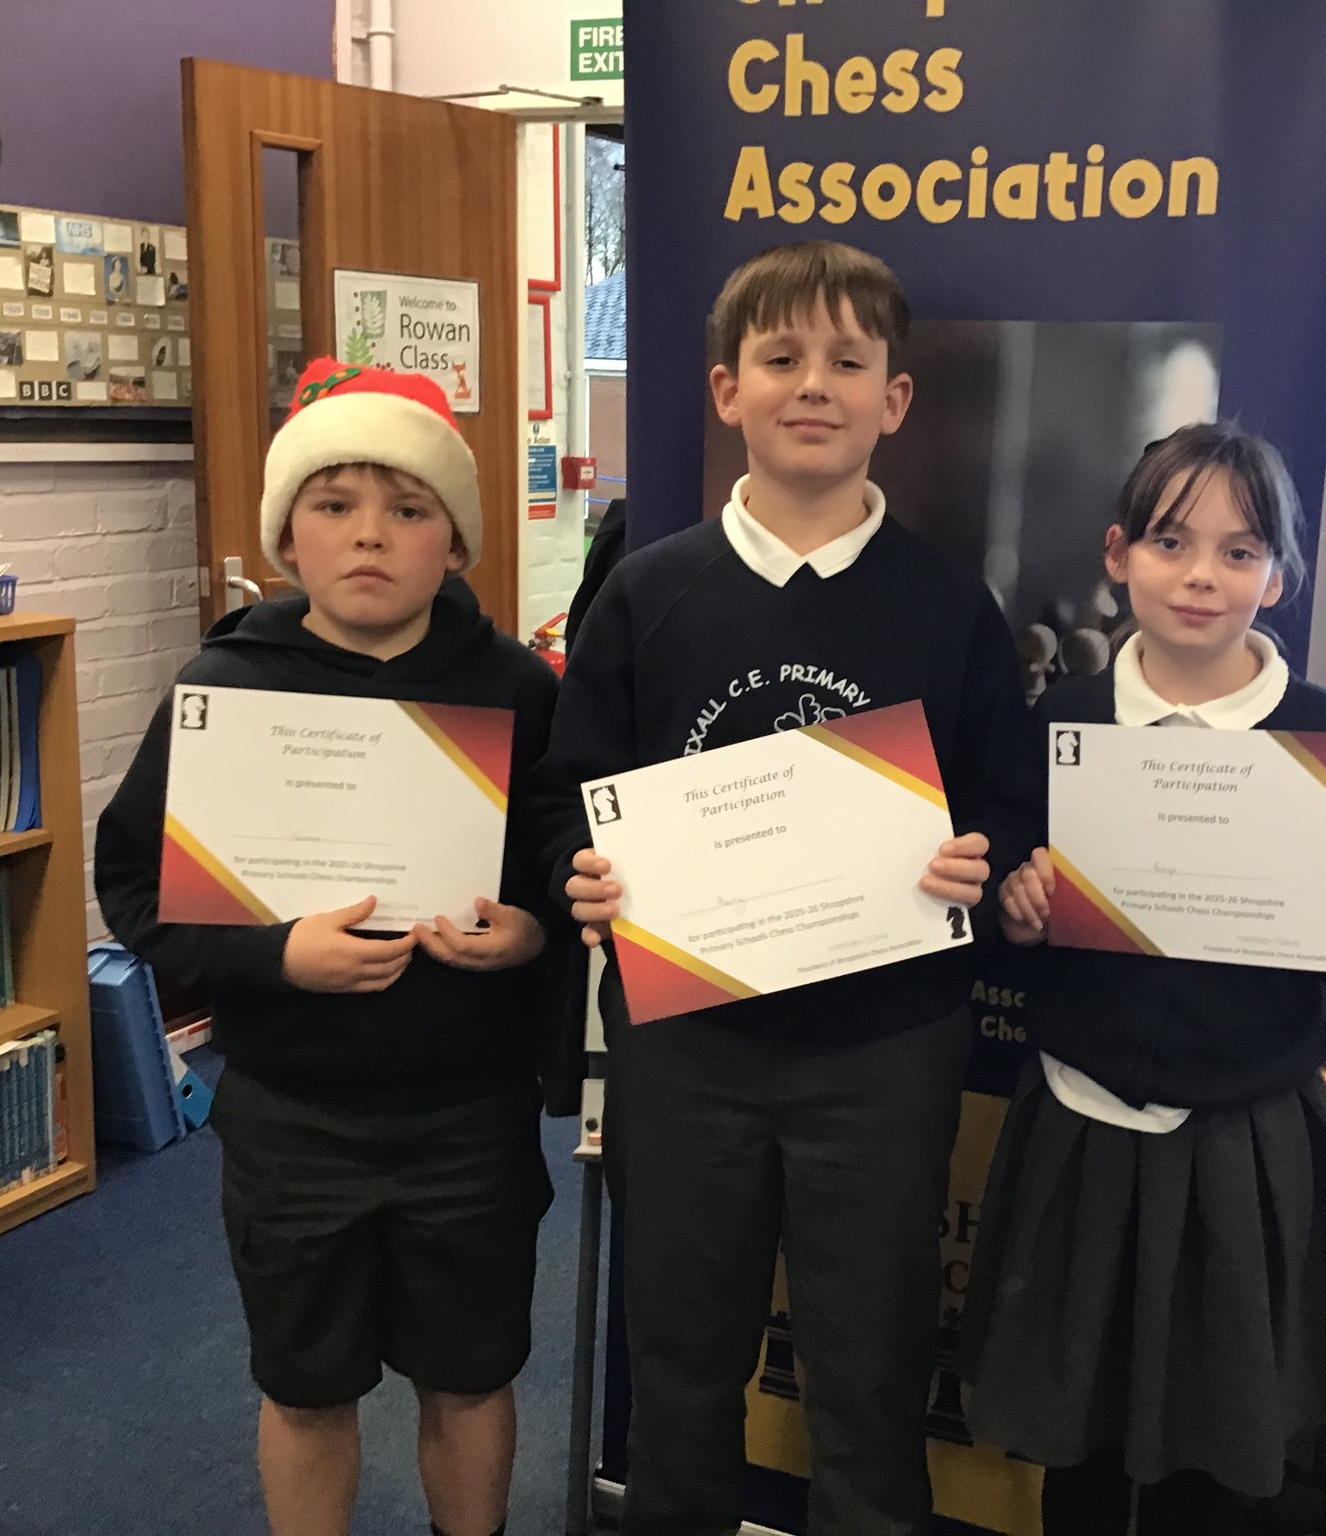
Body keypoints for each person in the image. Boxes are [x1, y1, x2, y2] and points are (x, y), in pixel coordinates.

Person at [530, 240, 1038, 1536]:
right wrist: (578, 871)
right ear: (726, 390)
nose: (814, 384)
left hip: (884, 1051)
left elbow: (1010, 804)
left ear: (894, 399)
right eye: (780, 358)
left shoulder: (949, 608)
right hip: (686, 1044)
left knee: (870, 1376)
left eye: (847, 362)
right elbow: (568, 791)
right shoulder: (646, 594)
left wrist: (975, 857)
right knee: (680, 1368)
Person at [95, 359, 569, 1536]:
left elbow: (565, 862)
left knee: (470, 1374)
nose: (369, 535)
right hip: (292, 1115)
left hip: (467, 1112)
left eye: (408, 509)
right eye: (334, 504)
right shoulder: (225, 687)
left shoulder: (515, 689)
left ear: (454, 545)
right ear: (284, 539)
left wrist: (530, 932)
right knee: (305, 1387)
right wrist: (275, 958)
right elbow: (136, 888)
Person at [962, 423, 1326, 1536]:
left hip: (1244, 1135)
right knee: (1078, 1447)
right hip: (1081, 1123)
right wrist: (1017, 914)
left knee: (1221, 1453)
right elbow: (997, 917)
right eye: (1171, 541)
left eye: (1239, 552)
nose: (1200, 576)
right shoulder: (1065, 722)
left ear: (1277, 577)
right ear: (1118, 553)